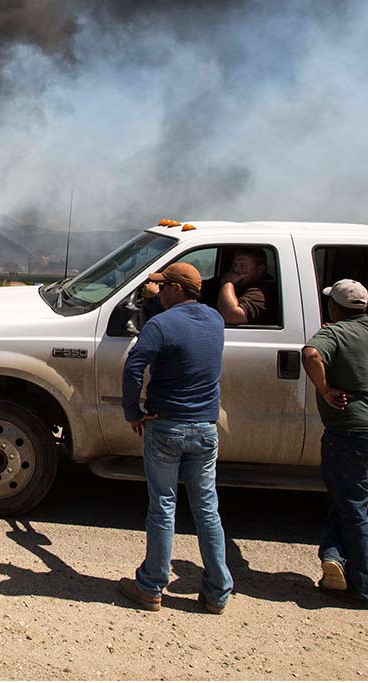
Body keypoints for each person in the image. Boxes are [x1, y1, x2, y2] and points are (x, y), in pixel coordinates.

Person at [116, 262, 233, 614]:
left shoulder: (160, 325)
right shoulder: (215, 320)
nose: (158, 290)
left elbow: (134, 365)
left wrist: (132, 412)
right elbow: (182, 331)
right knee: (207, 509)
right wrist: (156, 301)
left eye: (163, 285)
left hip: (166, 427)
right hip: (205, 428)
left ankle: (151, 586)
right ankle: (217, 591)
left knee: (163, 507)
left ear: (178, 290)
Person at [302, 279, 368, 609]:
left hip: (349, 434)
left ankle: (365, 589)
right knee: (347, 502)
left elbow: (311, 354)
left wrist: (326, 389)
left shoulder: (335, 332)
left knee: (353, 510)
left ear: (334, 306)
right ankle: (333, 561)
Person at [213, 248, 274, 326]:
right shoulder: (241, 282)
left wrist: (227, 283)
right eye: (234, 264)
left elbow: (232, 315)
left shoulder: (263, 292)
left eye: (242, 265)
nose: (236, 269)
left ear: (260, 269)